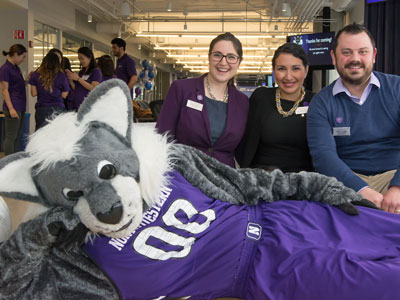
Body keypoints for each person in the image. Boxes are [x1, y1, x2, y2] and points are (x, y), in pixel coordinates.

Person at [307, 23, 400, 214]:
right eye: (346, 52)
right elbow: (324, 157)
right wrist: (362, 190)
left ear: (373, 55)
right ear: (333, 57)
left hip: (394, 176)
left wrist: (398, 187)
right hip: (346, 180)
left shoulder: (397, 88)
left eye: (362, 52)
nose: (355, 59)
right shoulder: (321, 102)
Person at [156, 32, 248, 168]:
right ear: (209, 57)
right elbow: (162, 138)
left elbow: (244, 150)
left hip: (224, 181)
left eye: (231, 57)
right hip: (183, 177)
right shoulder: (182, 89)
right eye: (217, 55)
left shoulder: (243, 102)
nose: (223, 62)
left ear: (239, 62)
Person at [239, 43, 314, 172]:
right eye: (281, 69)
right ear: (274, 71)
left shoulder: (316, 102)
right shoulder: (260, 97)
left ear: (306, 70)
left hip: (302, 184)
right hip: (260, 182)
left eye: (295, 68)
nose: (288, 76)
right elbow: (243, 140)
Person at [29, 52, 69, 130]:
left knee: (41, 134)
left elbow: (34, 93)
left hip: (42, 109)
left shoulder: (36, 75)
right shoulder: (62, 76)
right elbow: (64, 95)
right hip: (58, 108)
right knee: (57, 134)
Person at [0, 44, 28, 155]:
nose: (23, 60)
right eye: (23, 57)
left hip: (20, 105)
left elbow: (18, 86)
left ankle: (14, 160)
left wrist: (27, 80)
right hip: (13, 106)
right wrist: (11, 109)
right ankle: (8, 161)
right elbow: (5, 90)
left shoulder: (16, 68)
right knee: (11, 136)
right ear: (16, 55)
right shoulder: (5, 69)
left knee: (16, 136)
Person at [65, 47, 101, 111]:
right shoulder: (82, 72)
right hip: (78, 106)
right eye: (79, 59)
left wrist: (79, 79)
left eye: (82, 58)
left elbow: (94, 88)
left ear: (89, 57)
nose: (81, 61)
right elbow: (77, 89)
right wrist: (71, 80)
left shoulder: (96, 71)